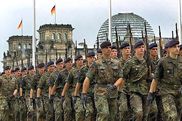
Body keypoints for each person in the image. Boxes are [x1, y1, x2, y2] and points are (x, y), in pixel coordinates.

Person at [82, 41, 124, 121]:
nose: (109, 49)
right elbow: (88, 78)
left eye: (110, 47)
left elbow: (121, 77)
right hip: (100, 92)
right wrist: (84, 93)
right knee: (104, 114)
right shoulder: (96, 64)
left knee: (113, 116)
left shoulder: (117, 63)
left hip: (113, 91)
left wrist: (115, 85)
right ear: (102, 50)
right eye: (106, 47)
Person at [148, 39, 182, 121]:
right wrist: (151, 93)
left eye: (178, 46)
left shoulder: (181, 61)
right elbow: (156, 79)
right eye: (174, 47)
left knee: (178, 117)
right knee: (172, 116)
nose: (177, 48)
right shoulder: (163, 62)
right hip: (167, 93)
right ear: (168, 49)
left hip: (179, 92)